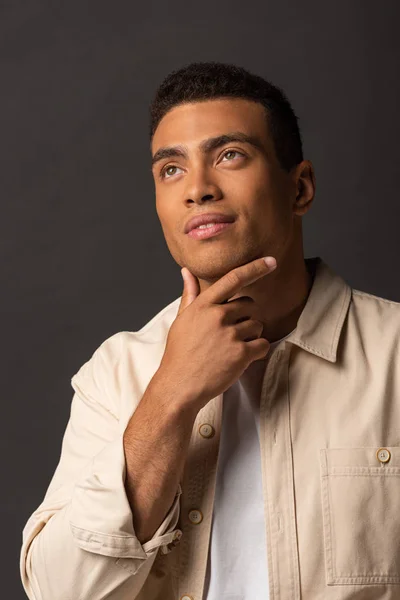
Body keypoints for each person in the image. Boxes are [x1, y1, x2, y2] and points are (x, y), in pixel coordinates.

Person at [20, 61, 400, 600]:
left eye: (230, 156)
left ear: (300, 188)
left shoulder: (395, 357)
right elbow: (59, 593)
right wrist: (172, 392)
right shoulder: (116, 374)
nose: (198, 189)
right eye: (171, 169)